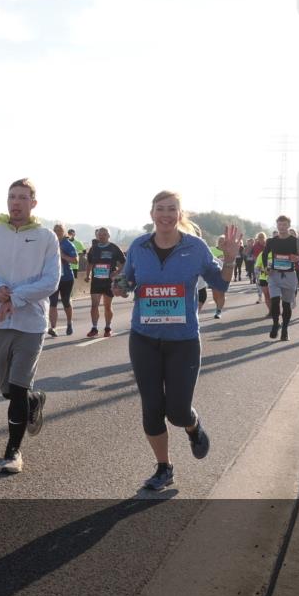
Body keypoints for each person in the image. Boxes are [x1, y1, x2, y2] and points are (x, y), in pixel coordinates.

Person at [115, 190, 241, 491]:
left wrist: (230, 258)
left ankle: (193, 427)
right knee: (152, 408)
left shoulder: (195, 247)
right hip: (144, 337)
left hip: (183, 341)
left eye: (172, 209)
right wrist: (119, 286)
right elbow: (127, 281)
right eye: (160, 209)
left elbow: (220, 282)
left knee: (178, 411)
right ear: (152, 214)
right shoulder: (138, 245)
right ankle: (164, 467)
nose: (166, 215)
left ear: (180, 213)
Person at [0, 180, 59, 473]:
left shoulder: (46, 237)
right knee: (8, 390)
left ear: (34, 203)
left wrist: (17, 298)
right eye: (12, 197)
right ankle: (35, 399)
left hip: (31, 322)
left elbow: (51, 280)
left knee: (18, 388)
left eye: (23, 197)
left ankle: (13, 451)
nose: (16, 202)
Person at [263, 215, 299, 341]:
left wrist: (298, 258)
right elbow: (265, 254)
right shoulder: (271, 241)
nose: (282, 227)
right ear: (276, 225)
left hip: (289, 275)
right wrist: (267, 267)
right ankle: (275, 323)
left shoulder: (295, 241)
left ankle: (284, 329)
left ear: (289, 226)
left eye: (284, 225)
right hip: (274, 275)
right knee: (275, 300)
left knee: (286, 304)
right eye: (279, 224)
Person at [84, 227, 125, 337]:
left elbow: (123, 264)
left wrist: (116, 273)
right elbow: (89, 263)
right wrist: (87, 275)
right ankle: (94, 328)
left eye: (104, 234)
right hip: (96, 281)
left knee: (107, 306)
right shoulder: (93, 249)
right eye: (100, 234)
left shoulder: (114, 248)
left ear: (108, 236)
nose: (102, 236)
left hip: (108, 282)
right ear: (97, 236)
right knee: (94, 305)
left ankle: (107, 327)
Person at [47, 223, 78, 337]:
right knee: (52, 303)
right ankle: (53, 328)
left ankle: (69, 323)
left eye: (60, 230)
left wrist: (63, 255)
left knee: (66, 301)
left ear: (64, 232)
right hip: (53, 277)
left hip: (66, 278)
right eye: (55, 230)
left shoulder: (68, 244)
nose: (57, 232)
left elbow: (75, 260)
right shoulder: (50, 244)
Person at [211, 235, 228, 319]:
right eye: (220, 241)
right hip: (213, 275)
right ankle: (218, 305)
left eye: (223, 241)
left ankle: (219, 310)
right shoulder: (212, 250)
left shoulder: (228, 251)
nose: (222, 243)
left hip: (225, 275)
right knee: (215, 295)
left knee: (221, 293)